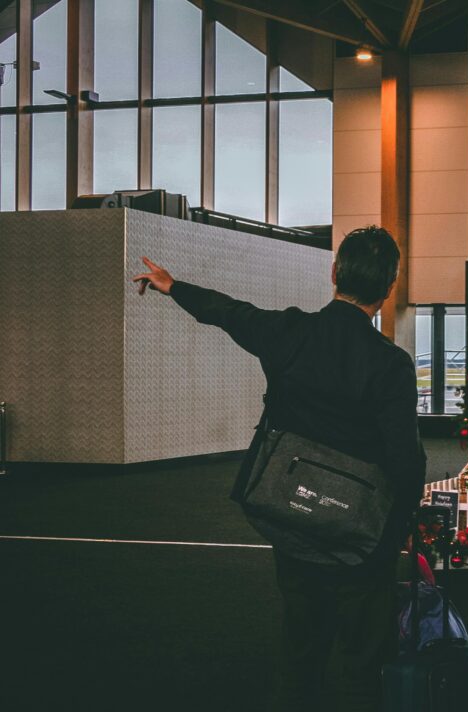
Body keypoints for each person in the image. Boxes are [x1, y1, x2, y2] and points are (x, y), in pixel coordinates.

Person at [132, 226, 427, 712]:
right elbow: (405, 459)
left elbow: (227, 313)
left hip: (293, 516)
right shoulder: (390, 365)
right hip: (362, 535)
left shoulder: (289, 332)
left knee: (300, 654)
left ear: (335, 274)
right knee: (362, 664)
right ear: (390, 286)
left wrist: (173, 285)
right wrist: (406, 526)